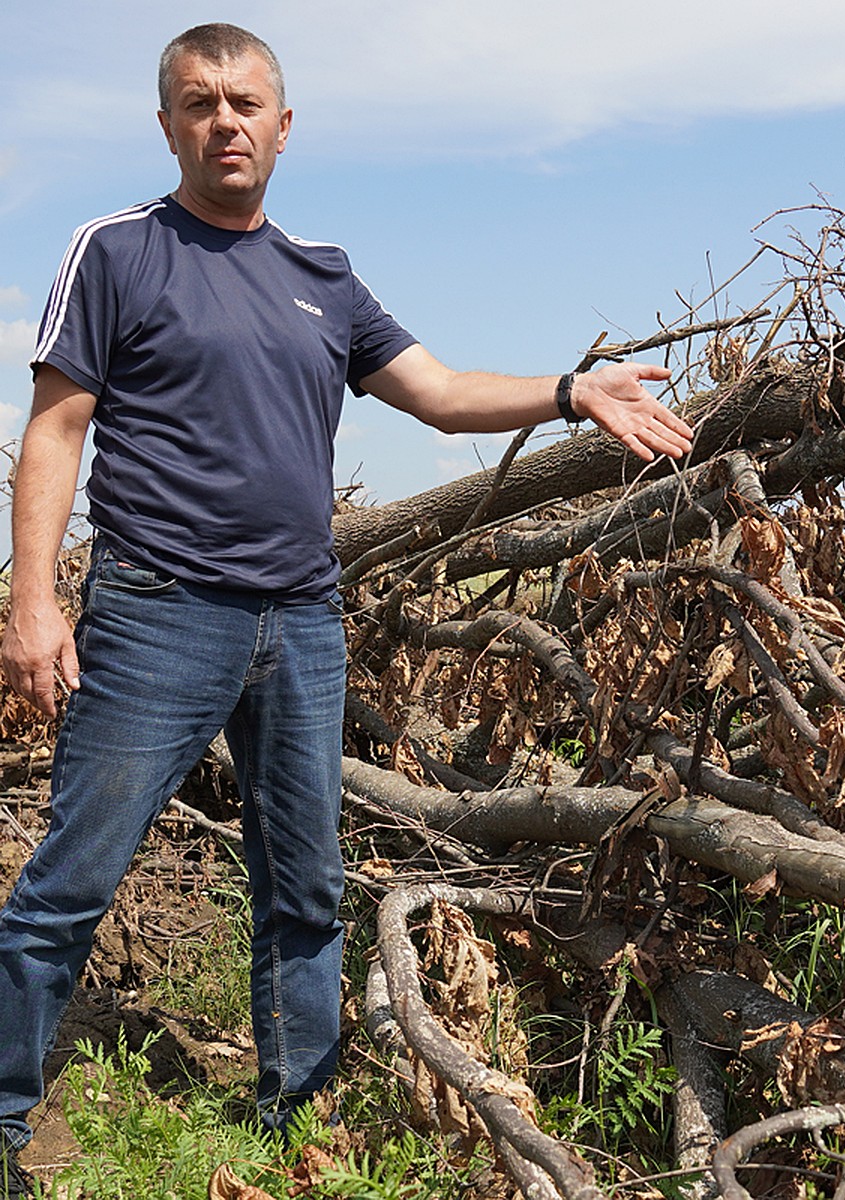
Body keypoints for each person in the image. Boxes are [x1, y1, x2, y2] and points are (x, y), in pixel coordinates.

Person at [0, 22, 693, 1196]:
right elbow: (57, 428)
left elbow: (437, 391)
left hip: (302, 627)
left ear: (283, 126)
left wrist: (574, 389)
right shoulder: (115, 251)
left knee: (306, 884)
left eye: (246, 102)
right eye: (200, 102)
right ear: (168, 124)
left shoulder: (324, 275)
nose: (226, 120)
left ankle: (293, 1121)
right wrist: (31, 605)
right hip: (157, 612)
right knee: (71, 880)